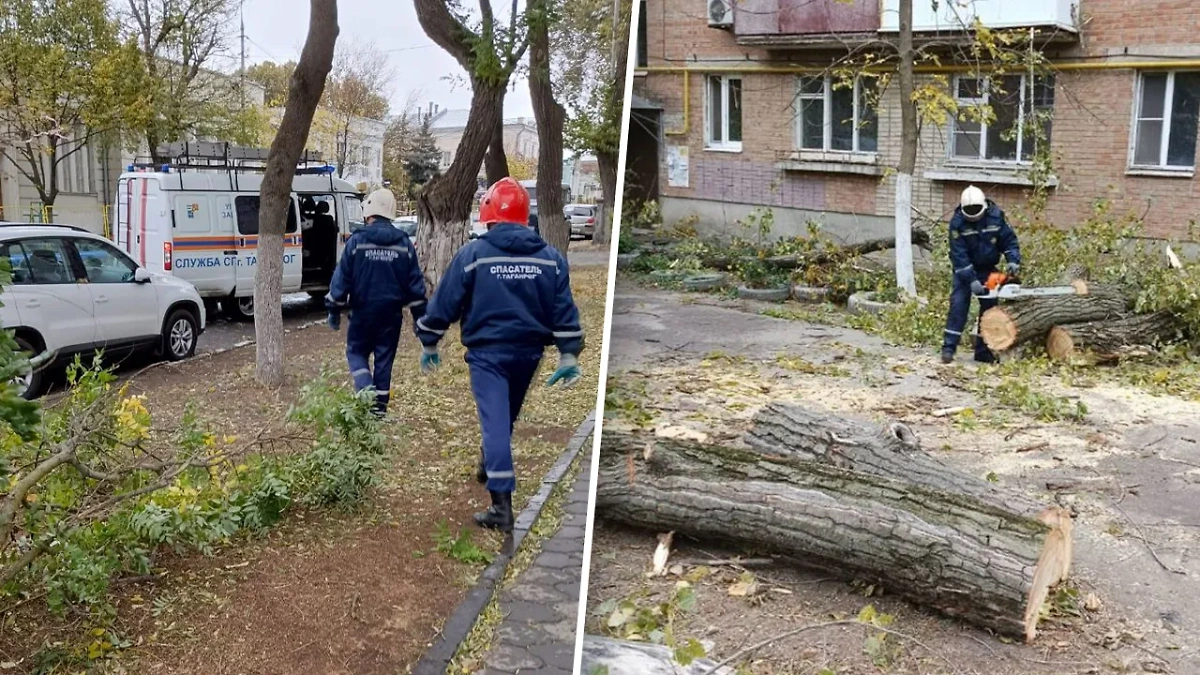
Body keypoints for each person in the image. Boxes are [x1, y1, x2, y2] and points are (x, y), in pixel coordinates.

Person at [416, 177, 583, 533]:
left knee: (495, 424)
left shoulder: (474, 255)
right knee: (503, 421)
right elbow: (563, 309)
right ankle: (490, 461)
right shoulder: (550, 259)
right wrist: (569, 354)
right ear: (526, 218)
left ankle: (500, 507)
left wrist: (429, 340)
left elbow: (446, 300)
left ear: (488, 217)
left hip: (488, 355)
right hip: (529, 355)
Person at [326, 188, 428, 417]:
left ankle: (364, 388)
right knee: (384, 360)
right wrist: (420, 319)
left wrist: (333, 307)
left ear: (368, 211)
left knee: (355, 352)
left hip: (362, 312)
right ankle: (378, 413)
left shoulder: (357, 241)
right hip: (391, 316)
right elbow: (415, 287)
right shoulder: (403, 244)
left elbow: (341, 278)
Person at [941, 185, 1021, 365]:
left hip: (988, 268)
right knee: (959, 305)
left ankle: (983, 350)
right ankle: (948, 348)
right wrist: (972, 281)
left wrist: (1013, 260)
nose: (973, 214)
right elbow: (959, 256)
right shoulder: (958, 223)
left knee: (990, 307)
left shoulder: (995, 217)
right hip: (964, 272)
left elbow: (1009, 241)